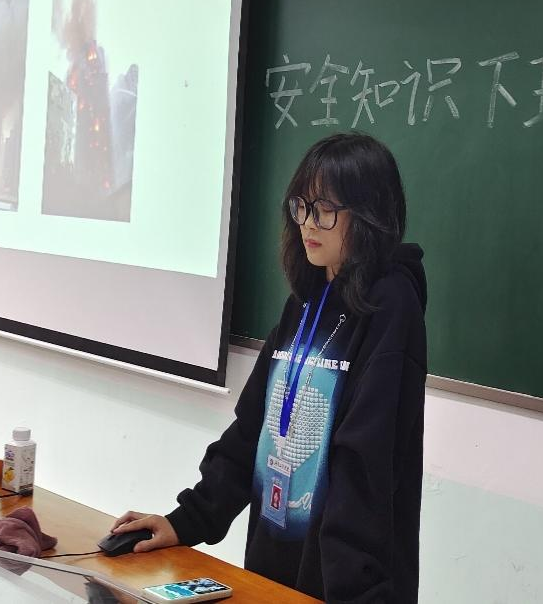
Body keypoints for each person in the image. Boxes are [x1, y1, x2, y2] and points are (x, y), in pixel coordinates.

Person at [112, 132, 428, 603]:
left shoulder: (391, 306)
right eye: (301, 206)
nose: (308, 223)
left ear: (367, 214)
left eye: (325, 209)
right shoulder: (304, 301)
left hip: (347, 588)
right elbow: (254, 428)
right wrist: (188, 520)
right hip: (273, 572)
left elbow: (365, 465)